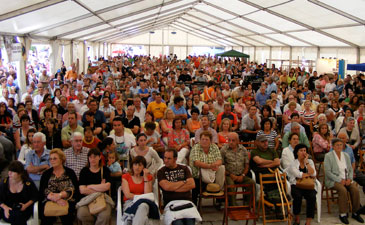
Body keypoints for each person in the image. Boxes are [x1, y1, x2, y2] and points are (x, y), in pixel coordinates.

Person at [324, 138, 364, 224]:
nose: (339, 146)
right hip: (333, 180)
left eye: (340, 145)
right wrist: (339, 180)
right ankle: (343, 214)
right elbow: (328, 172)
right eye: (337, 145)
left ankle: (356, 212)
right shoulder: (328, 156)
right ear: (333, 147)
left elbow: (350, 169)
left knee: (355, 189)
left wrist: (349, 179)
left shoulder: (346, 155)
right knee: (343, 190)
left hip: (346, 179)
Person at [157, 148, 200, 225]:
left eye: (169, 158)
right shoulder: (161, 171)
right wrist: (184, 182)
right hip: (171, 204)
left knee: (190, 223)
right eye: (165, 158)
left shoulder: (184, 169)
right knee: (178, 223)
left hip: (187, 202)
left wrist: (173, 187)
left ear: (175, 159)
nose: (166, 160)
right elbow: (166, 187)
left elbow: (192, 184)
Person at [39, 149, 79, 225]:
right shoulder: (46, 174)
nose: (52, 161)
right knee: (46, 216)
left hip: (67, 199)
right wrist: (56, 199)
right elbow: (43, 190)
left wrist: (60, 195)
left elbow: (73, 189)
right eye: (50, 159)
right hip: (50, 200)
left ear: (61, 160)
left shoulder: (70, 172)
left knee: (67, 215)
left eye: (55, 158)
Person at [77, 148, 113, 225]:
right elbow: (82, 190)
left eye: (95, 157)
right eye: (90, 157)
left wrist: (90, 186)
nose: (92, 159)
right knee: (82, 214)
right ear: (88, 158)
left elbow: (107, 187)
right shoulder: (84, 171)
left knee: (104, 215)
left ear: (99, 157)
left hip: (102, 198)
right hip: (86, 199)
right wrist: (100, 187)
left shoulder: (105, 170)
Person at [189, 131, 225, 205]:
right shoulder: (196, 147)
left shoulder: (214, 147)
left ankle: (218, 191)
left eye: (206, 139)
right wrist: (210, 166)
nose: (204, 141)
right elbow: (196, 162)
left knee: (222, 168)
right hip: (199, 175)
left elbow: (219, 160)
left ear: (211, 141)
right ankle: (194, 205)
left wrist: (215, 164)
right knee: (195, 184)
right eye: (202, 139)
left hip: (212, 172)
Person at [220, 132, 255, 206]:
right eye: (229, 140)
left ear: (237, 141)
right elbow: (221, 167)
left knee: (251, 183)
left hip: (241, 174)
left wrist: (242, 175)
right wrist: (230, 174)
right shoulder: (223, 150)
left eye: (233, 140)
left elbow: (247, 165)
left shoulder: (243, 149)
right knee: (230, 185)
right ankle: (233, 206)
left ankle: (248, 205)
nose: (231, 142)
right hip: (229, 175)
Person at [285, 144, 317, 225]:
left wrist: (307, 163)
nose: (303, 152)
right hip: (296, 184)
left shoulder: (310, 162)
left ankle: (308, 221)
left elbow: (314, 174)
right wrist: (307, 174)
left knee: (312, 196)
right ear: (297, 152)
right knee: (297, 196)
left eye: (305, 151)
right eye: (301, 151)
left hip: (308, 185)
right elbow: (298, 174)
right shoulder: (293, 163)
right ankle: (297, 218)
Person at [122, 156, 157, 225]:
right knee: (144, 217)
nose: (137, 167)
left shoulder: (148, 177)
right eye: (135, 164)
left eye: (140, 165)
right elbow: (128, 195)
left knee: (143, 205)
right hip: (130, 203)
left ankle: (130, 220)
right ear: (132, 166)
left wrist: (145, 178)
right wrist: (142, 197)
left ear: (144, 167)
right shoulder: (126, 177)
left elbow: (147, 194)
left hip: (145, 203)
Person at [0, 161, 38, 225]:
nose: (9, 173)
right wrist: (5, 207)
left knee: (19, 216)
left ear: (20, 173)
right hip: (8, 209)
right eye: (9, 171)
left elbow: (35, 196)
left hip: (24, 209)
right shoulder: (4, 183)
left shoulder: (28, 183)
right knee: (14, 216)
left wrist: (26, 205)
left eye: (12, 172)